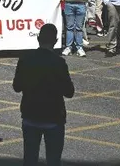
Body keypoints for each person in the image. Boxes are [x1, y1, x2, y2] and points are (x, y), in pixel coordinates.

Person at [12, 24, 74, 166]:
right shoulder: (59, 62)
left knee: (30, 157)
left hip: (30, 115)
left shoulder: (25, 59)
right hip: (53, 117)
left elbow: (16, 87)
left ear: (38, 39)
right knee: (53, 159)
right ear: (55, 40)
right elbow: (69, 92)